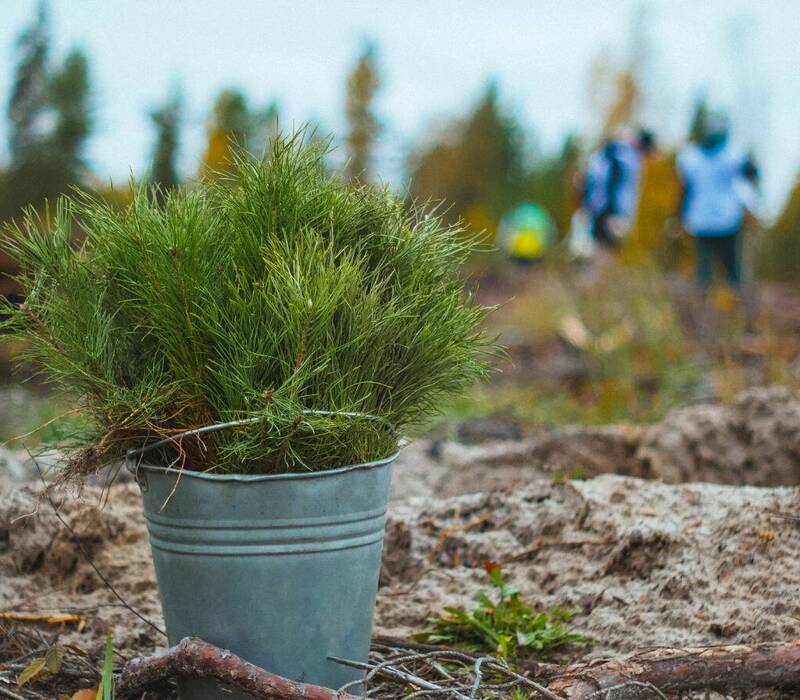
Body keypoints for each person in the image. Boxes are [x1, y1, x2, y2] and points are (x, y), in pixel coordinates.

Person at [676, 113, 758, 293]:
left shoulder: (691, 157)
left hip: (704, 219)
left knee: (707, 268)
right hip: (725, 218)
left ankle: (707, 305)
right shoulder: (732, 154)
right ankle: (732, 303)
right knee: (731, 268)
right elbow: (752, 173)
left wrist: (681, 215)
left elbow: (685, 190)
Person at [576, 129, 654, 275]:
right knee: (604, 247)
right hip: (608, 210)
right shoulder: (622, 157)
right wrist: (614, 212)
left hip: (602, 208)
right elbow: (611, 185)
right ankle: (593, 284)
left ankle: (594, 282)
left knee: (604, 247)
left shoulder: (612, 153)